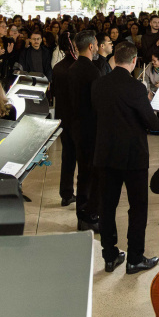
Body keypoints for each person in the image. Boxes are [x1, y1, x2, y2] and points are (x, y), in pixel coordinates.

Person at [91, 42, 159, 273]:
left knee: (107, 206)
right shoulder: (136, 88)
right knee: (137, 207)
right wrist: (147, 103)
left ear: (114, 59)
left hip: (105, 154)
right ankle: (134, 259)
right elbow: (151, 122)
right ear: (134, 61)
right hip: (133, 157)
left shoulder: (98, 85)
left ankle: (109, 257)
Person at [68, 30, 101, 232]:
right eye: (96, 44)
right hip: (91, 128)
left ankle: (83, 214)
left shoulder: (71, 69)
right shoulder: (92, 71)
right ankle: (89, 215)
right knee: (92, 174)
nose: (97, 47)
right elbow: (96, 103)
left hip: (76, 127)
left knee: (83, 174)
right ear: (90, 46)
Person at [51, 32, 78, 207]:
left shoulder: (57, 68)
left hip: (63, 118)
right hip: (79, 118)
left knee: (67, 157)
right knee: (83, 159)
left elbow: (54, 93)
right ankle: (84, 193)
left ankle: (66, 194)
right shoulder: (79, 67)